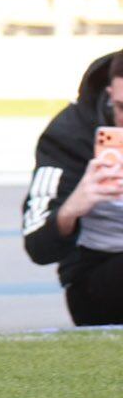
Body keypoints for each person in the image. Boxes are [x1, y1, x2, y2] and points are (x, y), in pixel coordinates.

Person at [23, 50, 123, 325]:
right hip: (97, 276)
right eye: (121, 107)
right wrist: (71, 209)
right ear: (109, 94)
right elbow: (37, 247)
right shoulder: (71, 133)